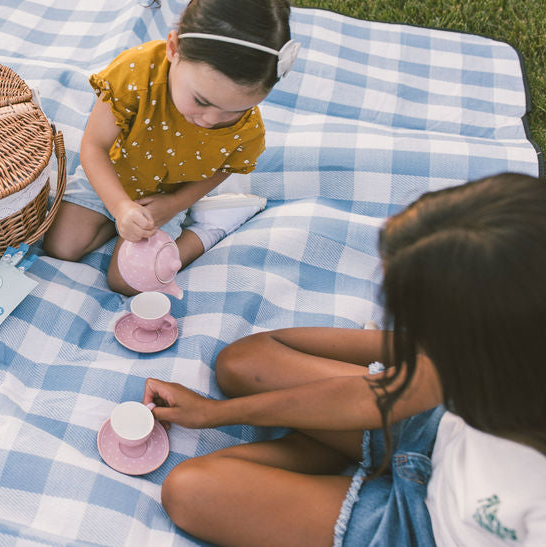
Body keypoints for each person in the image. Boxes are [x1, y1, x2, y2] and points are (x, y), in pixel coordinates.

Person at [143, 172, 546, 546]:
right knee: (243, 364)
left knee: (189, 489)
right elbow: (378, 396)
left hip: (420, 528)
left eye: (422, 333)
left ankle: (333, 451)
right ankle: (341, 448)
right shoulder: (502, 361)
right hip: (438, 430)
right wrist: (212, 414)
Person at [43, 0, 298, 294]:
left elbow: (222, 168)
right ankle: (120, 225)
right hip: (114, 174)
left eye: (234, 110)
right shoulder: (135, 74)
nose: (210, 120)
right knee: (61, 245)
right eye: (202, 101)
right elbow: (93, 147)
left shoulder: (246, 127)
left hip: (169, 194)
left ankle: (205, 232)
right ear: (174, 49)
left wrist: (174, 206)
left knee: (128, 282)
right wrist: (121, 208)